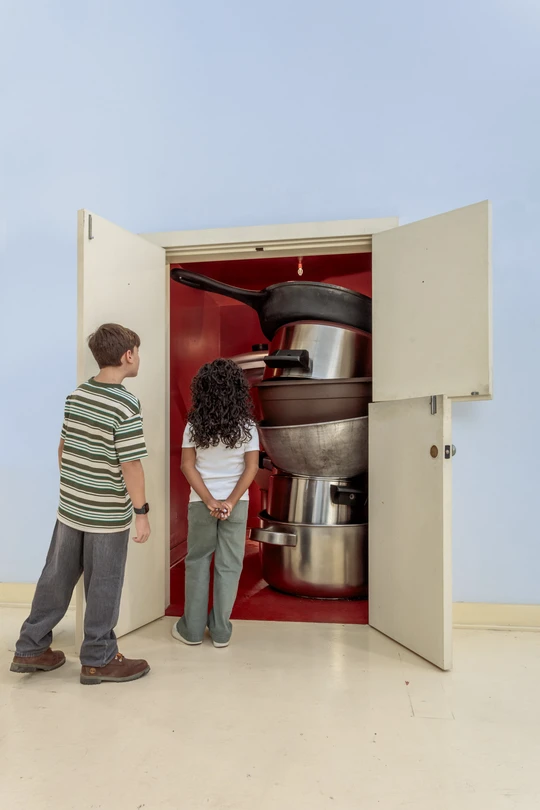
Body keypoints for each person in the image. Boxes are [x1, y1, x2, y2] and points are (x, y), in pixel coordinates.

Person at [10, 324, 152, 685]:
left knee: (55, 578)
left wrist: (76, 491)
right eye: (138, 350)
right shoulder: (125, 404)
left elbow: (63, 451)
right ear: (128, 355)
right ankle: (99, 659)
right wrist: (141, 513)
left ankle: (31, 647)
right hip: (106, 515)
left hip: (70, 509)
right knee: (103, 584)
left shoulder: (77, 395)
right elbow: (131, 464)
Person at [172, 358, 259, 648]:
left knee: (197, 563)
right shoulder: (247, 425)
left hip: (201, 504)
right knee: (230, 565)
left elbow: (187, 466)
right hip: (237, 505)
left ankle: (192, 631)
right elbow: (251, 468)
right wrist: (230, 502)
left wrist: (209, 500)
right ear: (238, 390)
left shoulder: (193, 425)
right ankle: (221, 632)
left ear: (203, 390)